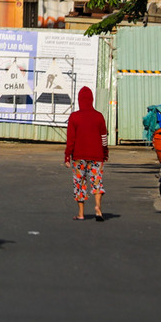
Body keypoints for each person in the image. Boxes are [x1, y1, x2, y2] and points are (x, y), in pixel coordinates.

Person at [64, 86, 108, 221]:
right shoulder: (99, 116)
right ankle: (98, 208)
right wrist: (105, 153)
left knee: (79, 184)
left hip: (78, 157)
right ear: (91, 100)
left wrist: (67, 156)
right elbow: (104, 138)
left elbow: (71, 139)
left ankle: (81, 214)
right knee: (97, 183)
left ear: (79, 100)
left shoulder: (74, 117)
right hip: (97, 156)